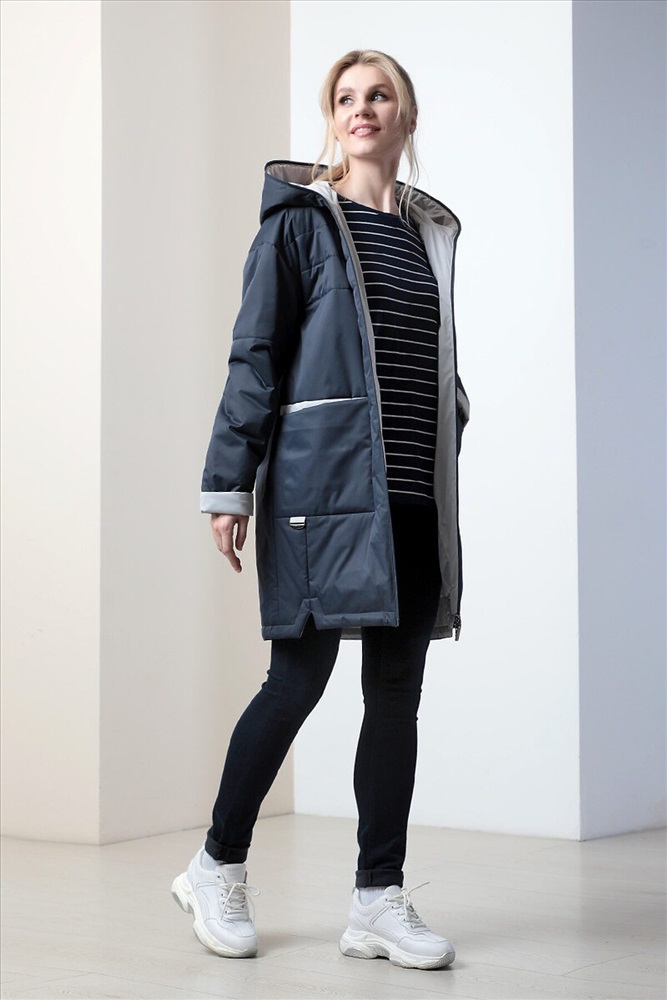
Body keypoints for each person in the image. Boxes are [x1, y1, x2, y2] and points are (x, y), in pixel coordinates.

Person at [171, 49, 470, 972]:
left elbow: (426, 360)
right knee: (295, 682)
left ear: (406, 117)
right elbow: (254, 354)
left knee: (396, 696)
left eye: (379, 95)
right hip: (319, 496)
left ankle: (377, 900)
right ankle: (214, 865)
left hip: (410, 496)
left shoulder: (423, 235)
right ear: (331, 119)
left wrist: (455, 412)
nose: (361, 109)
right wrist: (229, 482)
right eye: (345, 98)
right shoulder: (300, 223)